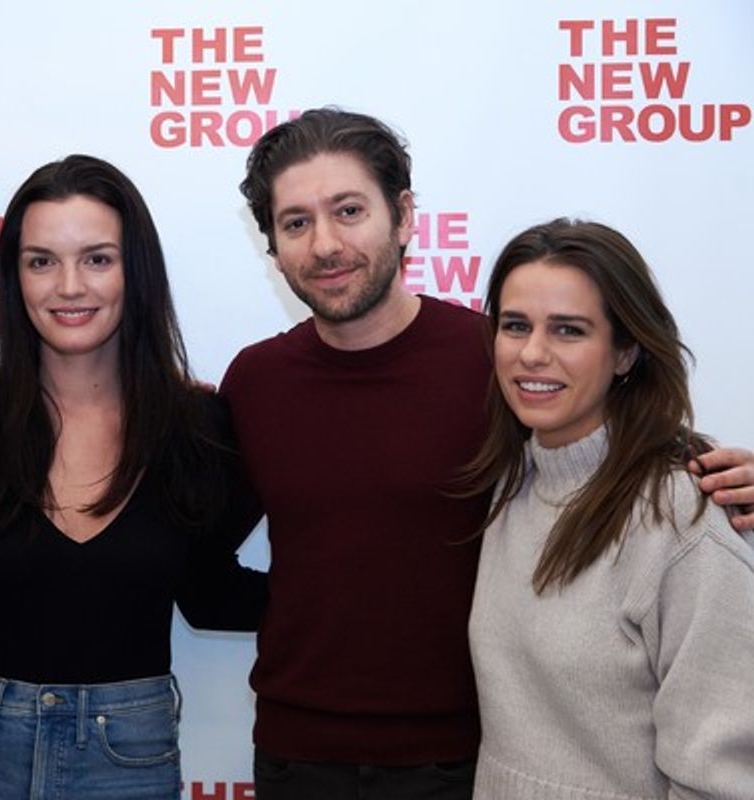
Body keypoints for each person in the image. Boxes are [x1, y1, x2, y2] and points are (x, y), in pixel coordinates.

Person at [219, 108, 754, 799]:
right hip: (296, 755)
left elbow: (618, 448)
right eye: (296, 223)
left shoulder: (499, 359)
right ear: (273, 244)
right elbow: (194, 558)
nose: (325, 244)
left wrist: (721, 475)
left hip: (467, 758)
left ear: (404, 215)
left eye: (349, 210)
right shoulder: (255, 381)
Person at [0, 154, 266, 799]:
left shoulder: (200, 427)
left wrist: (372, 602)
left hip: (127, 751)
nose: (68, 286)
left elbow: (211, 594)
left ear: (138, 272)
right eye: (41, 260)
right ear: (13, 278)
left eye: (98, 258)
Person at [465, 219, 754, 798]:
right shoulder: (513, 486)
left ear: (624, 352)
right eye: (515, 326)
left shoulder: (682, 518)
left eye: (569, 330)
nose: (533, 354)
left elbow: (717, 780)